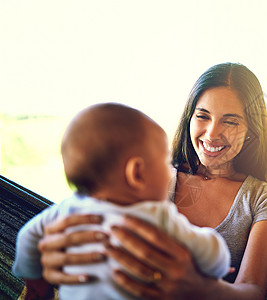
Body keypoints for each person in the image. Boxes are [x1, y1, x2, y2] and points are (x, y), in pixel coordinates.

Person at [36, 63, 267, 299]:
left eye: (231, 121)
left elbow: (253, 291)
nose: (212, 134)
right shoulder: (151, 177)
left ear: (251, 129)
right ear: (189, 119)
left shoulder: (264, 201)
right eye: (202, 116)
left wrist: (194, 284)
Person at [12, 103, 231, 299]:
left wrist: (35, 286)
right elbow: (211, 254)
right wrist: (217, 257)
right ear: (136, 173)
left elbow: (27, 238)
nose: (170, 170)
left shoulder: (67, 210)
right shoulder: (157, 217)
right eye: (165, 161)